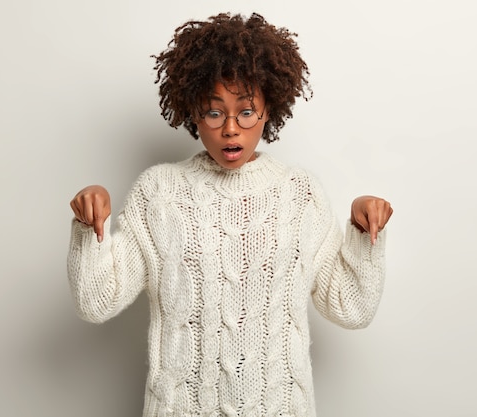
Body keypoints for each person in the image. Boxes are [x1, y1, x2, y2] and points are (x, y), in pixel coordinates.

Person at [67, 12, 393, 417]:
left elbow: (352, 307)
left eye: (246, 111)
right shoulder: (159, 194)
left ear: (269, 109)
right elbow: (96, 300)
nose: (231, 129)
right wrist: (89, 224)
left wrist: (364, 232)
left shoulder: (300, 195)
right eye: (214, 111)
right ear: (192, 112)